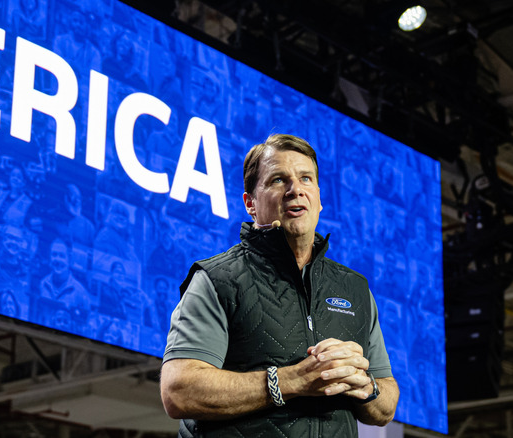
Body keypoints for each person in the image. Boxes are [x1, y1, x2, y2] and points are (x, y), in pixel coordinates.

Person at [160, 134, 399, 437]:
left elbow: (386, 405)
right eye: (278, 180)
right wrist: (295, 380)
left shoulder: (354, 288)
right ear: (250, 203)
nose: (295, 189)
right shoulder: (217, 279)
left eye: (306, 179)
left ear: (319, 199)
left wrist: (364, 384)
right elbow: (179, 390)